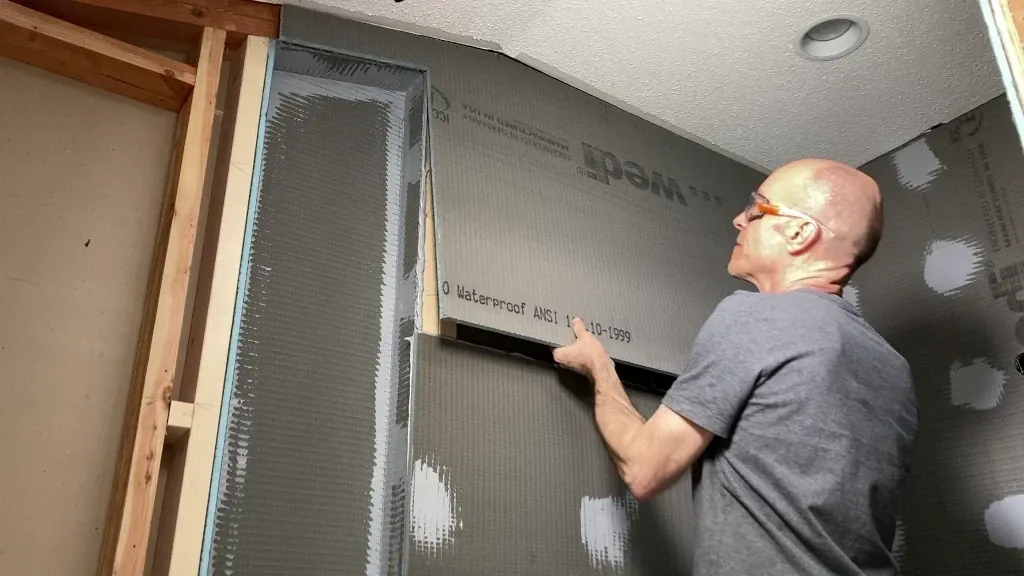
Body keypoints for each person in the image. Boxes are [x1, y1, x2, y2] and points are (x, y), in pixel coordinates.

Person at [553, 158, 918, 575]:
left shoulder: (755, 316)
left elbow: (644, 468)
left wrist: (600, 369)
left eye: (757, 207)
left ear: (800, 233)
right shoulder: (895, 369)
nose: (739, 219)